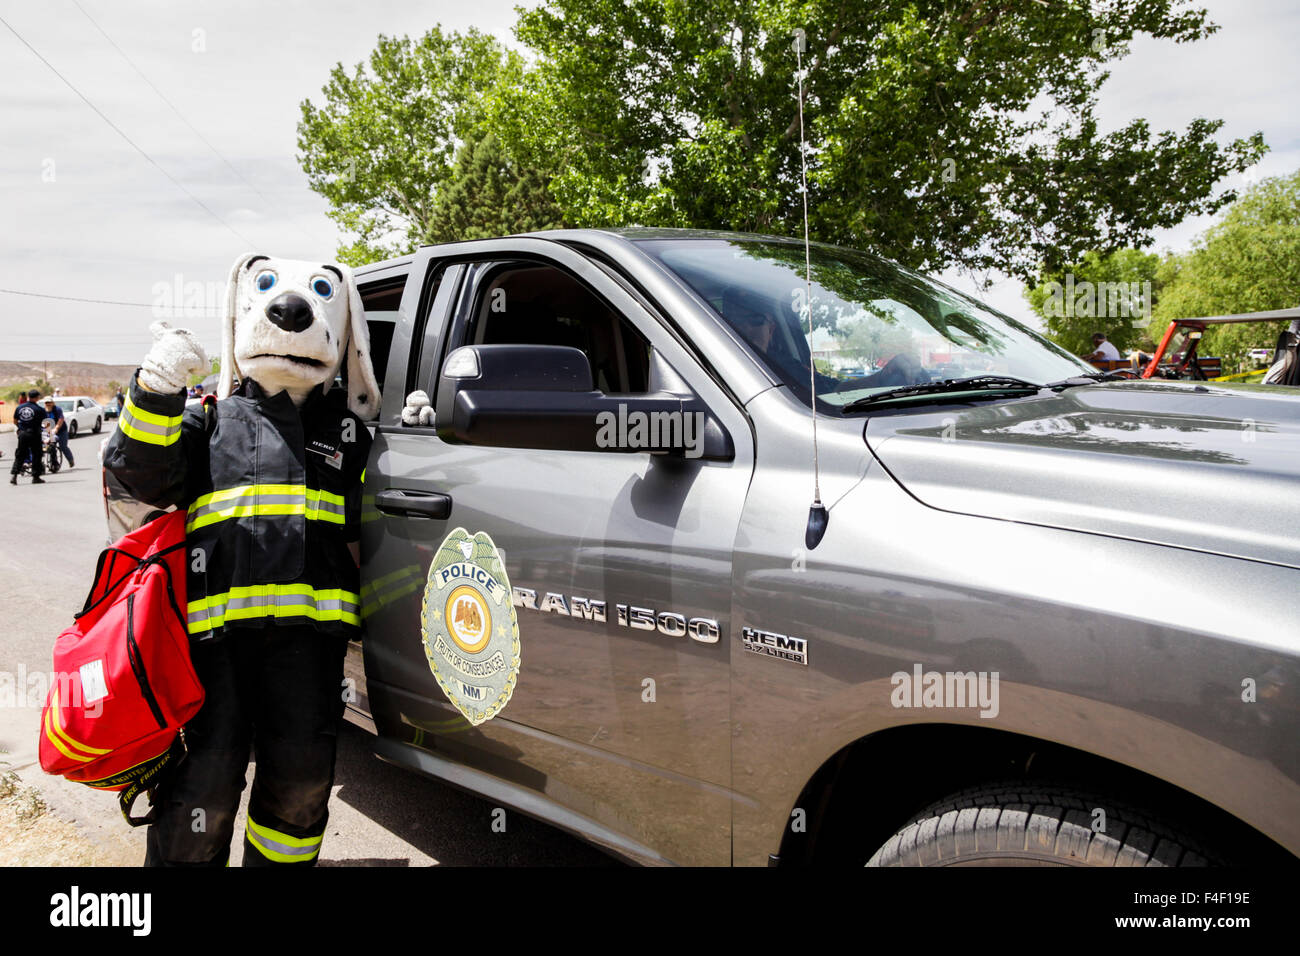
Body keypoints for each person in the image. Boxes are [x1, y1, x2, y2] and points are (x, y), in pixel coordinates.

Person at [9, 389, 47, 484]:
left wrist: (20, 428)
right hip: (34, 434)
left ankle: (14, 476)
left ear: (28, 397)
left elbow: (15, 420)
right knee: (37, 455)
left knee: (20, 455)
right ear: (37, 398)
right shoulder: (39, 409)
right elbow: (45, 423)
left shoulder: (19, 408)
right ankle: (35, 477)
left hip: (23, 434)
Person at [43, 397, 74, 469]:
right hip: (50, 430)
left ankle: (70, 460)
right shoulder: (43, 411)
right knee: (49, 446)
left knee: (63, 446)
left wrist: (56, 428)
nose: (48, 404)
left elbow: (61, 419)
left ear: (53, 403)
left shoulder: (57, 409)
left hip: (61, 430)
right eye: (46, 403)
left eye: (49, 403)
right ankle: (53, 462)